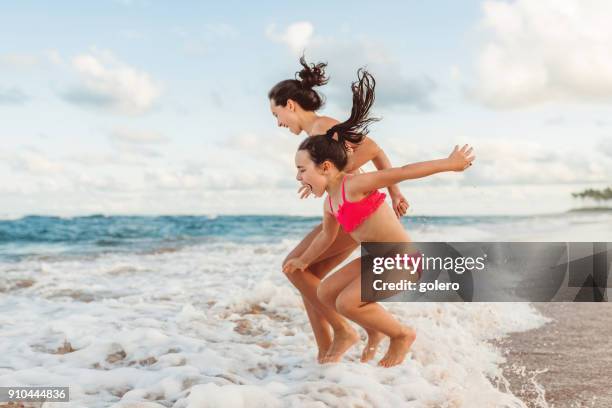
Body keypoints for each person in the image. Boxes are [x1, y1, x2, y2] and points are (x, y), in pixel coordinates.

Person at [283, 68, 475, 367]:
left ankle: (401, 335)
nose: (297, 177)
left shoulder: (354, 185)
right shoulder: (331, 204)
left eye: (302, 170)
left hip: (403, 261)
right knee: (325, 290)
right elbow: (326, 236)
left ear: (325, 167)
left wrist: (450, 164)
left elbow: (402, 171)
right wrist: (304, 260)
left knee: (347, 301)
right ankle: (374, 331)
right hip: (376, 259)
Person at [269, 57, 409, 364]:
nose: (278, 122)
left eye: (276, 114)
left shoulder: (324, 127)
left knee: (295, 267)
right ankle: (332, 346)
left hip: (352, 213)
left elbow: (373, 149)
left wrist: (333, 175)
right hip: (345, 210)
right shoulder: (315, 135)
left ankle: (347, 330)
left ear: (290, 105)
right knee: (307, 276)